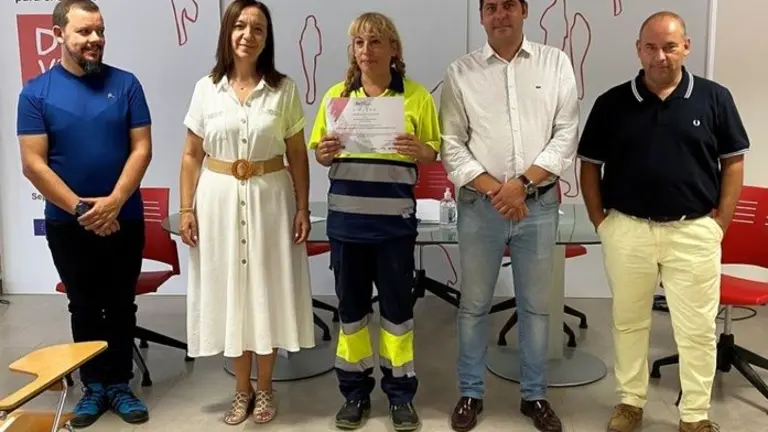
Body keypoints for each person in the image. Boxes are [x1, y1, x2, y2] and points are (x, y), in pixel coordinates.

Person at [578, 11, 749, 432]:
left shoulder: (714, 98)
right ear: (638, 50)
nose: (660, 56)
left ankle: (695, 415)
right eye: (651, 47)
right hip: (627, 230)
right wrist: (601, 222)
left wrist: (720, 224)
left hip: (693, 230)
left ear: (686, 47)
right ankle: (630, 403)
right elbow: (589, 166)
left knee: (697, 329)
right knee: (628, 322)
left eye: (670, 46)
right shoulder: (612, 103)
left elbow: (733, 163)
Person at [439, 0, 579, 431]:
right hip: (480, 207)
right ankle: (470, 392)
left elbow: (565, 134)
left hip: (537, 205)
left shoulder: (555, 64)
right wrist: (497, 190)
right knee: (473, 306)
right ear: (482, 16)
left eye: (509, 6)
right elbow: (451, 143)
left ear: (524, 11)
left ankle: (535, 396)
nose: (500, 15)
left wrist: (522, 184)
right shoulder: (461, 72)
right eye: (491, 8)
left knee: (536, 307)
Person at [16, 0, 152, 428]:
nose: (95, 39)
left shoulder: (126, 85)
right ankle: (94, 386)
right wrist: (82, 209)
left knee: (122, 304)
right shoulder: (36, 93)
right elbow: (33, 164)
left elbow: (142, 149)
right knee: (85, 305)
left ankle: (120, 384)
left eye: (100, 31)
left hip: (124, 218)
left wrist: (113, 202)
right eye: (84, 32)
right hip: (67, 224)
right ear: (59, 34)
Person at [178, 0, 314, 426]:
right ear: (227, 32)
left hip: (271, 199)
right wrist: (186, 208)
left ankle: (266, 388)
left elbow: (297, 154)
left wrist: (303, 207)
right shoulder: (206, 88)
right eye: (240, 26)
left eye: (258, 28)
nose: (248, 35)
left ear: (266, 39)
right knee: (232, 292)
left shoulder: (284, 89)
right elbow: (191, 155)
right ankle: (242, 389)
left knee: (265, 291)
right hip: (217, 201)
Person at [308, 12, 441, 432]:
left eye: (376, 42)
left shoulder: (416, 97)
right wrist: (324, 153)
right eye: (360, 43)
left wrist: (420, 149)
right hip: (347, 226)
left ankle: (401, 396)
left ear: (393, 49)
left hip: (394, 229)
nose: (367, 51)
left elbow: (433, 152)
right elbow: (320, 153)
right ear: (353, 50)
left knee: (398, 314)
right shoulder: (336, 97)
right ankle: (354, 395)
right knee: (351, 314)